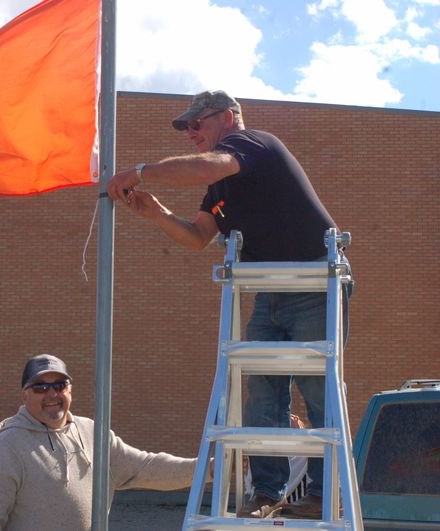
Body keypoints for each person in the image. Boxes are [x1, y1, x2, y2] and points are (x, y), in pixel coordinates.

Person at [106, 90, 350, 519]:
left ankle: (323, 495)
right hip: (270, 290)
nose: (191, 134)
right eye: (187, 128)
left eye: (197, 124)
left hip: (315, 282)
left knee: (316, 388)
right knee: (259, 392)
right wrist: (156, 213)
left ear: (229, 117)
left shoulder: (253, 143)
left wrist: (140, 172)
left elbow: (206, 165)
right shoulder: (220, 186)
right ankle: (266, 492)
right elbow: (199, 236)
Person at [0, 354, 201, 530]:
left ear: (70, 391)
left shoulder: (92, 433)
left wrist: (208, 468)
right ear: (25, 395)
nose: (52, 394)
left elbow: (146, 468)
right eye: (41, 387)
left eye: (59, 385)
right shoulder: (7, 447)